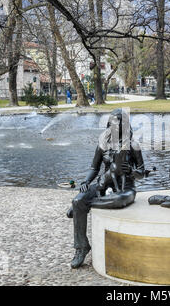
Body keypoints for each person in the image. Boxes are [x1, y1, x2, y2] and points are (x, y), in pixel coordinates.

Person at [67, 108, 145, 269]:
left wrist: (132, 171)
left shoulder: (133, 145)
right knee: (78, 199)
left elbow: (142, 173)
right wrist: (86, 182)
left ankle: (82, 206)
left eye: (118, 122)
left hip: (125, 189)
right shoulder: (103, 143)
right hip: (104, 185)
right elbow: (94, 168)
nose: (114, 125)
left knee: (119, 200)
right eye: (112, 122)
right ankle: (81, 247)